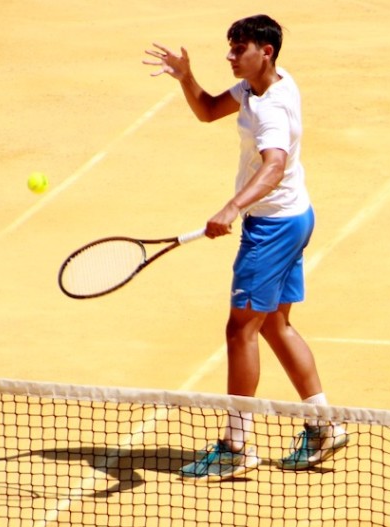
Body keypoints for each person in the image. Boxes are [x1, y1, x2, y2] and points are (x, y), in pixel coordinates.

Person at [145, 15, 348, 481]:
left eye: (240, 49)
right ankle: (323, 425)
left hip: (272, 227)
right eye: (230, 47)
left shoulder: (270, 109)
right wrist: (186, 78)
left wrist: (232, 207)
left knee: (241, 330)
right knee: (275, 322)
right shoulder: (261, 87)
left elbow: (273, 165)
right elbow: (207, 109)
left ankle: (236, 445)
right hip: (296, 215)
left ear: (266, 52)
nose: (230, 56)